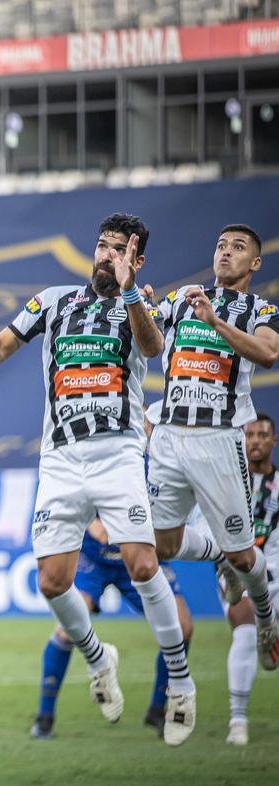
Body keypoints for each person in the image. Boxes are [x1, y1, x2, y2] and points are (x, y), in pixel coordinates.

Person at [0, 212, 197, 746]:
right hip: (61, 459)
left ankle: (180, 681)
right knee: (51, 581)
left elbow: (151, 349)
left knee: (143, 563)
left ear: (136, 261)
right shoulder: (53, 301)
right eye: (102, 246)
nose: (106, 255)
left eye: (119, 250)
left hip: (118, 453)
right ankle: (98, 657)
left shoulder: (142, 304)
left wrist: (130, 289)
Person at [146, 224, 279, 671]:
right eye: (221, 245)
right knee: (160, 546)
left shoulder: (262, 309)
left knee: (245, 555)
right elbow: (145, 330)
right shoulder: (184, 297)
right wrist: (135, 301)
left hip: (221, 439)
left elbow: (267, 355)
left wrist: (215, 323)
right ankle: (216, 552)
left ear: (254, 263)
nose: (226, 253)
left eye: (238, 248)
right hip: (169, 434)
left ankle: (264, 618)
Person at [30, 518, 193, 740]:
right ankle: (44, 718)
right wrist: (90, 520)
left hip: (138, 552)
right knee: (66, 631)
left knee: (183, 628)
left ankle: (157, 710)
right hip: (92, 556)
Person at [218, 412, 279, 745]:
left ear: (273, 441)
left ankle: (271, 636)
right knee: (244, 629)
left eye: (262, 435)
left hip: (276, 577)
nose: (255, 440)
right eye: (250, 434)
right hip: (238, 577)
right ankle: (237, 721)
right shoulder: (227, 484)